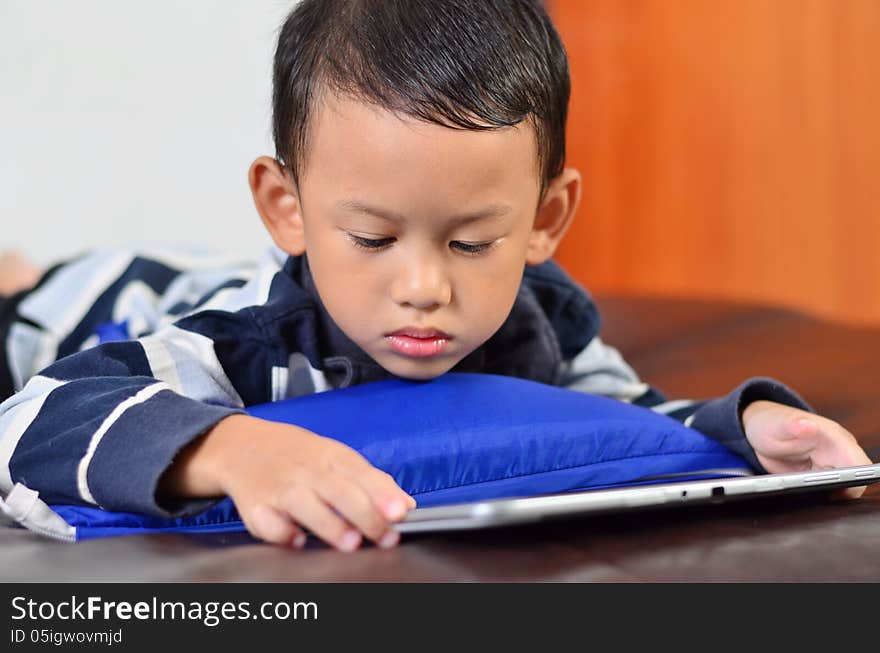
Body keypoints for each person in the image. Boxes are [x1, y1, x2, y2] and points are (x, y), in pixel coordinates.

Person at [0, 0, 870, 552]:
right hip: (109, 303)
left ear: (543, 220)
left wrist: (746, 425)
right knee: (35, 295)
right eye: (374, 238)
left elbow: (624, 420)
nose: (423, 287)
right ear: (287, 207)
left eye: (469, 244)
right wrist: (228, 445)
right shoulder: (247, 341)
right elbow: (30, 415)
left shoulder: (544, 327)